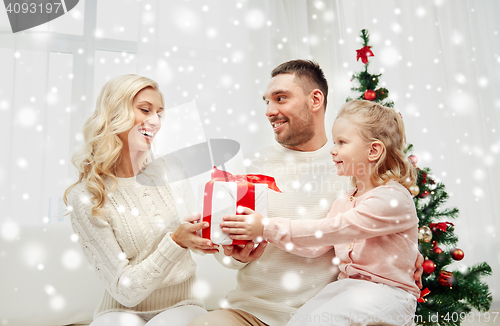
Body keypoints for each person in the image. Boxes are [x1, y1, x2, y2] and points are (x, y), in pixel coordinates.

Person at [188, 60, 423, 326]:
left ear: (315, 99)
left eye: (280, 98)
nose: (269, 111)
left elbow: (358, 228)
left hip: (328, 311)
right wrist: (233, 254)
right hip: (250, 313)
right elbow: (228, 251)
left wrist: (405, 259)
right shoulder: (250, 168)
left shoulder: (352, 171)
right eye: (266, 101)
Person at [63, 74, 218, 326]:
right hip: (119, 309)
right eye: (145, 110)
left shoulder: (171, 170)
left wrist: (215, 241)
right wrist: (176, 242)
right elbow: (125, 290)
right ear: (115, 114)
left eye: (159, 113)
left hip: (182, 305)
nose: (155, 121)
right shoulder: (86, 195)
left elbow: (199, 235)